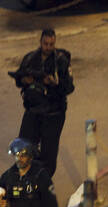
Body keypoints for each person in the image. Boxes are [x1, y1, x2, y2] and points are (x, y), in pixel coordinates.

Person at [12, 28, 75, 177]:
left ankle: (43, 181)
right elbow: (19, 79)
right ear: (40, 42)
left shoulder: (61, 62)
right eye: (45, 43)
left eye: (51, 44)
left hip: (53, 113)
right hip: (33, 110)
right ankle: (27, 176)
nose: (48, 47)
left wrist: (54, 84)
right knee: (24, 146)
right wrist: (24, 80)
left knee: (48, 153)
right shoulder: (30, 59)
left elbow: (69, 87)